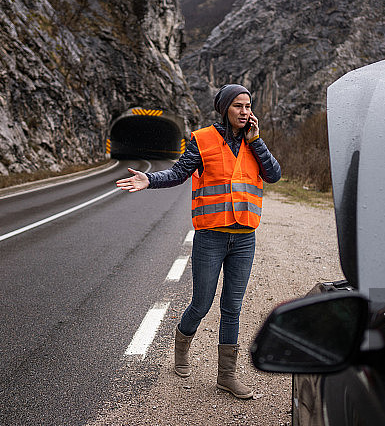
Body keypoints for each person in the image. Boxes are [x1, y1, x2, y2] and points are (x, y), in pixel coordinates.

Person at [116, 84, 281, 399]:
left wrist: (256, 142)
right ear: (224, 110)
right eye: (238, 106)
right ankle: (181, 346)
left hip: (244, 239)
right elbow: (178, 174)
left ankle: (226, 376)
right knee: (202, 303)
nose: (245, 112)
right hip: (211, 238)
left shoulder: (253, 143)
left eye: (248, 106)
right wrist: (150, 179)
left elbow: (274, 175)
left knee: (232, 306)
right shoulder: (202, 140)